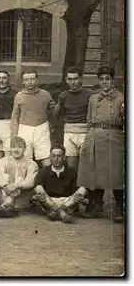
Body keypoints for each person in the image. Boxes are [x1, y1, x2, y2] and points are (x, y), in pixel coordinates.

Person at [77, 66, 125, 223]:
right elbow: (89, 120)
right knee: (94, 172)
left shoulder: (121, 98)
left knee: (115, 173)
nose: (105, 82)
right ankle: (95, 205)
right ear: (98, 81)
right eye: (102, 79)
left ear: (112, 80)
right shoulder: (93, 98)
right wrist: (90, 137)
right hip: (95, 136)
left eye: (108, 79)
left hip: (114, 136)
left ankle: (119, 208)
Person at [32, 145, 88, 224]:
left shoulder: (72, 172)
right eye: (53, 156)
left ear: (64, 157)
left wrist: (80, 199)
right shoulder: (43, 172)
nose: (56, 159)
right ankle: (61, 213)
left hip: (67, 202)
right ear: (50, 157)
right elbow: (38, 193)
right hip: (50, 202)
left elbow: (75, 194)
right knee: (38, 188)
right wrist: (37, 197)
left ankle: (57, 211)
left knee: (83, 189)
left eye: (59, 156)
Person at [10, 70, 55, 167]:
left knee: (46, 157)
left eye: (32, 79)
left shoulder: (46, 95)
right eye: (26, 79)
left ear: (37, 80)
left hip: (42, 128)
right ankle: (27, 181)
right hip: (25, 129)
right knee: (25, 159)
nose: (29, 82)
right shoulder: (19, 96)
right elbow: (15, 117)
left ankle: (47, 181)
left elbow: (53, 112)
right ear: (23, 82)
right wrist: (14, 135)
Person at [53, 67, 94, 169]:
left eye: (75, 79)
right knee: (71, 164)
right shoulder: (63, 96)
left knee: (85, 163)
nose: (73, 82)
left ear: (80, 79)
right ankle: (72, 185)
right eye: (70, 79)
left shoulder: (89, 94)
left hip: (85, 132)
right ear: (66, 80)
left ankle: (85, 185)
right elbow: (57, 115)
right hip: (69, 132)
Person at [0, 136, 39, 218]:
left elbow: (30, 183)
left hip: (22, 200)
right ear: (10, 148)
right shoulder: (3, 161)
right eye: (13, 147)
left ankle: (6, 205)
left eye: (19, 147)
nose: (16, 150)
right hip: (4, 196)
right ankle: (8, 206)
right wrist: (6, 185)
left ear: (25, 149)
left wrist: (15, 186)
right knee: (5, 176)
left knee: (20, 180)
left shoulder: (31, 164)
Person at [0, 70, 17, 161]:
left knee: (8, 154)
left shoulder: (15, 95)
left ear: (8, 79)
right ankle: (0, 174)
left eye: (4, 78)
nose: (1, 80)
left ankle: (8, 174)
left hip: (9, 124)